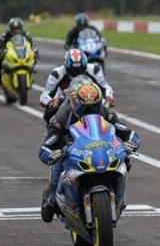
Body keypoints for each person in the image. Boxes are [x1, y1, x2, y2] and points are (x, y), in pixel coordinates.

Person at [38, 77, 140, 223]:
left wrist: (131, 143)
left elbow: (127, 132)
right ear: (74, 103)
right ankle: (51, 195)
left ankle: (119, 197)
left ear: (98, 102)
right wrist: (52, 154)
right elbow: (45, 146)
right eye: (84, 107)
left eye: (93, 106)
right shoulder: (61, 116)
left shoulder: (106, 112)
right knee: (57, 165)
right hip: (71, 150)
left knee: (125, 159)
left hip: (100, 148)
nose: (89, 111)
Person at [39, 49, 115, 122]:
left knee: (109, 113)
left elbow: (105, 87)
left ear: (85, 65)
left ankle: (118, 127)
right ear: (66, 66)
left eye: (79, 70)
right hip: (67, 101)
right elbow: (45, 93)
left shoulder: (95, 70)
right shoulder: (57, 73)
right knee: (49, 114)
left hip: (91, 99)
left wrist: (108, 97)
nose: (77, 73)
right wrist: (50, 102)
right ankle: (54, 133)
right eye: (74, 71)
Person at [0, 17, 37, 86]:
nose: (16, 31)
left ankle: (31, 71)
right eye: (14, 29)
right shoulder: (4, 35)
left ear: (21, 28)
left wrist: (34, 50)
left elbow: (32, 45)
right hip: (8, 52)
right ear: (10, 28)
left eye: (18, 29)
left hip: (21, 51)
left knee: (34, 56)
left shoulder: (26, 34)